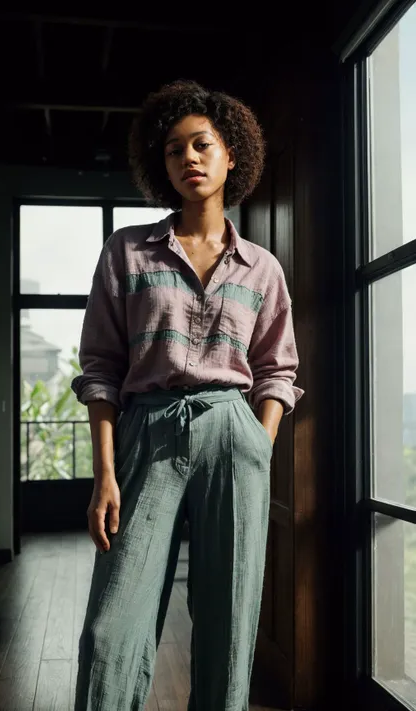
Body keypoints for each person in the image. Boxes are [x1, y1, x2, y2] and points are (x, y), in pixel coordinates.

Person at [70, 79, 304, 711]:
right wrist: (104, 473)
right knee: (110, 627)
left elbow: (277, 367)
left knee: (229, 622)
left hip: (235, 434)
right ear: (160, 166)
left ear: (232, 156)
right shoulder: (126, 253)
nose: (189, 159)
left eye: (202, 145)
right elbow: (99, 367)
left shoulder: (262, 268)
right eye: (173, 151)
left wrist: (259, 439)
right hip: (147, 430)